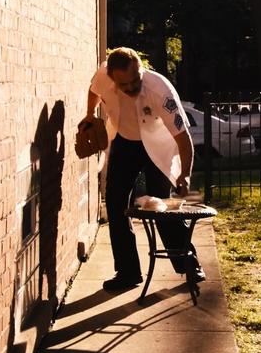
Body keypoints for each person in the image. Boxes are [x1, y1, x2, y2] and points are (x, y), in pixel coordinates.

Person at [80, 47, 204, 291]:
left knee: (160, 207)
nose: (131, 87)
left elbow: (183, 138)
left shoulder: (160, 90)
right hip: (125, 141)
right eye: (123, 84)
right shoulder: (103, 76)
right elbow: (93, 91)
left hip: (158, 144)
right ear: (112, 77)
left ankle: (189, 264)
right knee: (116, 204)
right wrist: (89, 115)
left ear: (140, 69)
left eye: (135, 79)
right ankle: (127, 272)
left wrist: (185, 174)